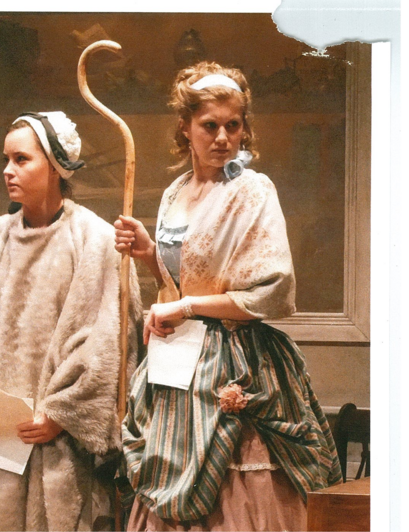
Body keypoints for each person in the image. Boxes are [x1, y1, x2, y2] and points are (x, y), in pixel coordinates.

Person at [114, 61, 341, 531]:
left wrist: (185, 307)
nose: (222, 137)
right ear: (186, 128)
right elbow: (191, 278)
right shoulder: (176, 192)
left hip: (235, 359)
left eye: (232, 126)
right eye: (209, 126)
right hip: (178, 363)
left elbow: (271, 292)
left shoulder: (252, 190)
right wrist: (149, 254)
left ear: (244, 128)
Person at [0, 111, 143, 531]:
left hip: (56, 450)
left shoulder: (93, 242)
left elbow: (110, 342)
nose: (8, 171)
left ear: (56, 166)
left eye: (22, 160)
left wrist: (62, 413)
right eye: (6, 159)